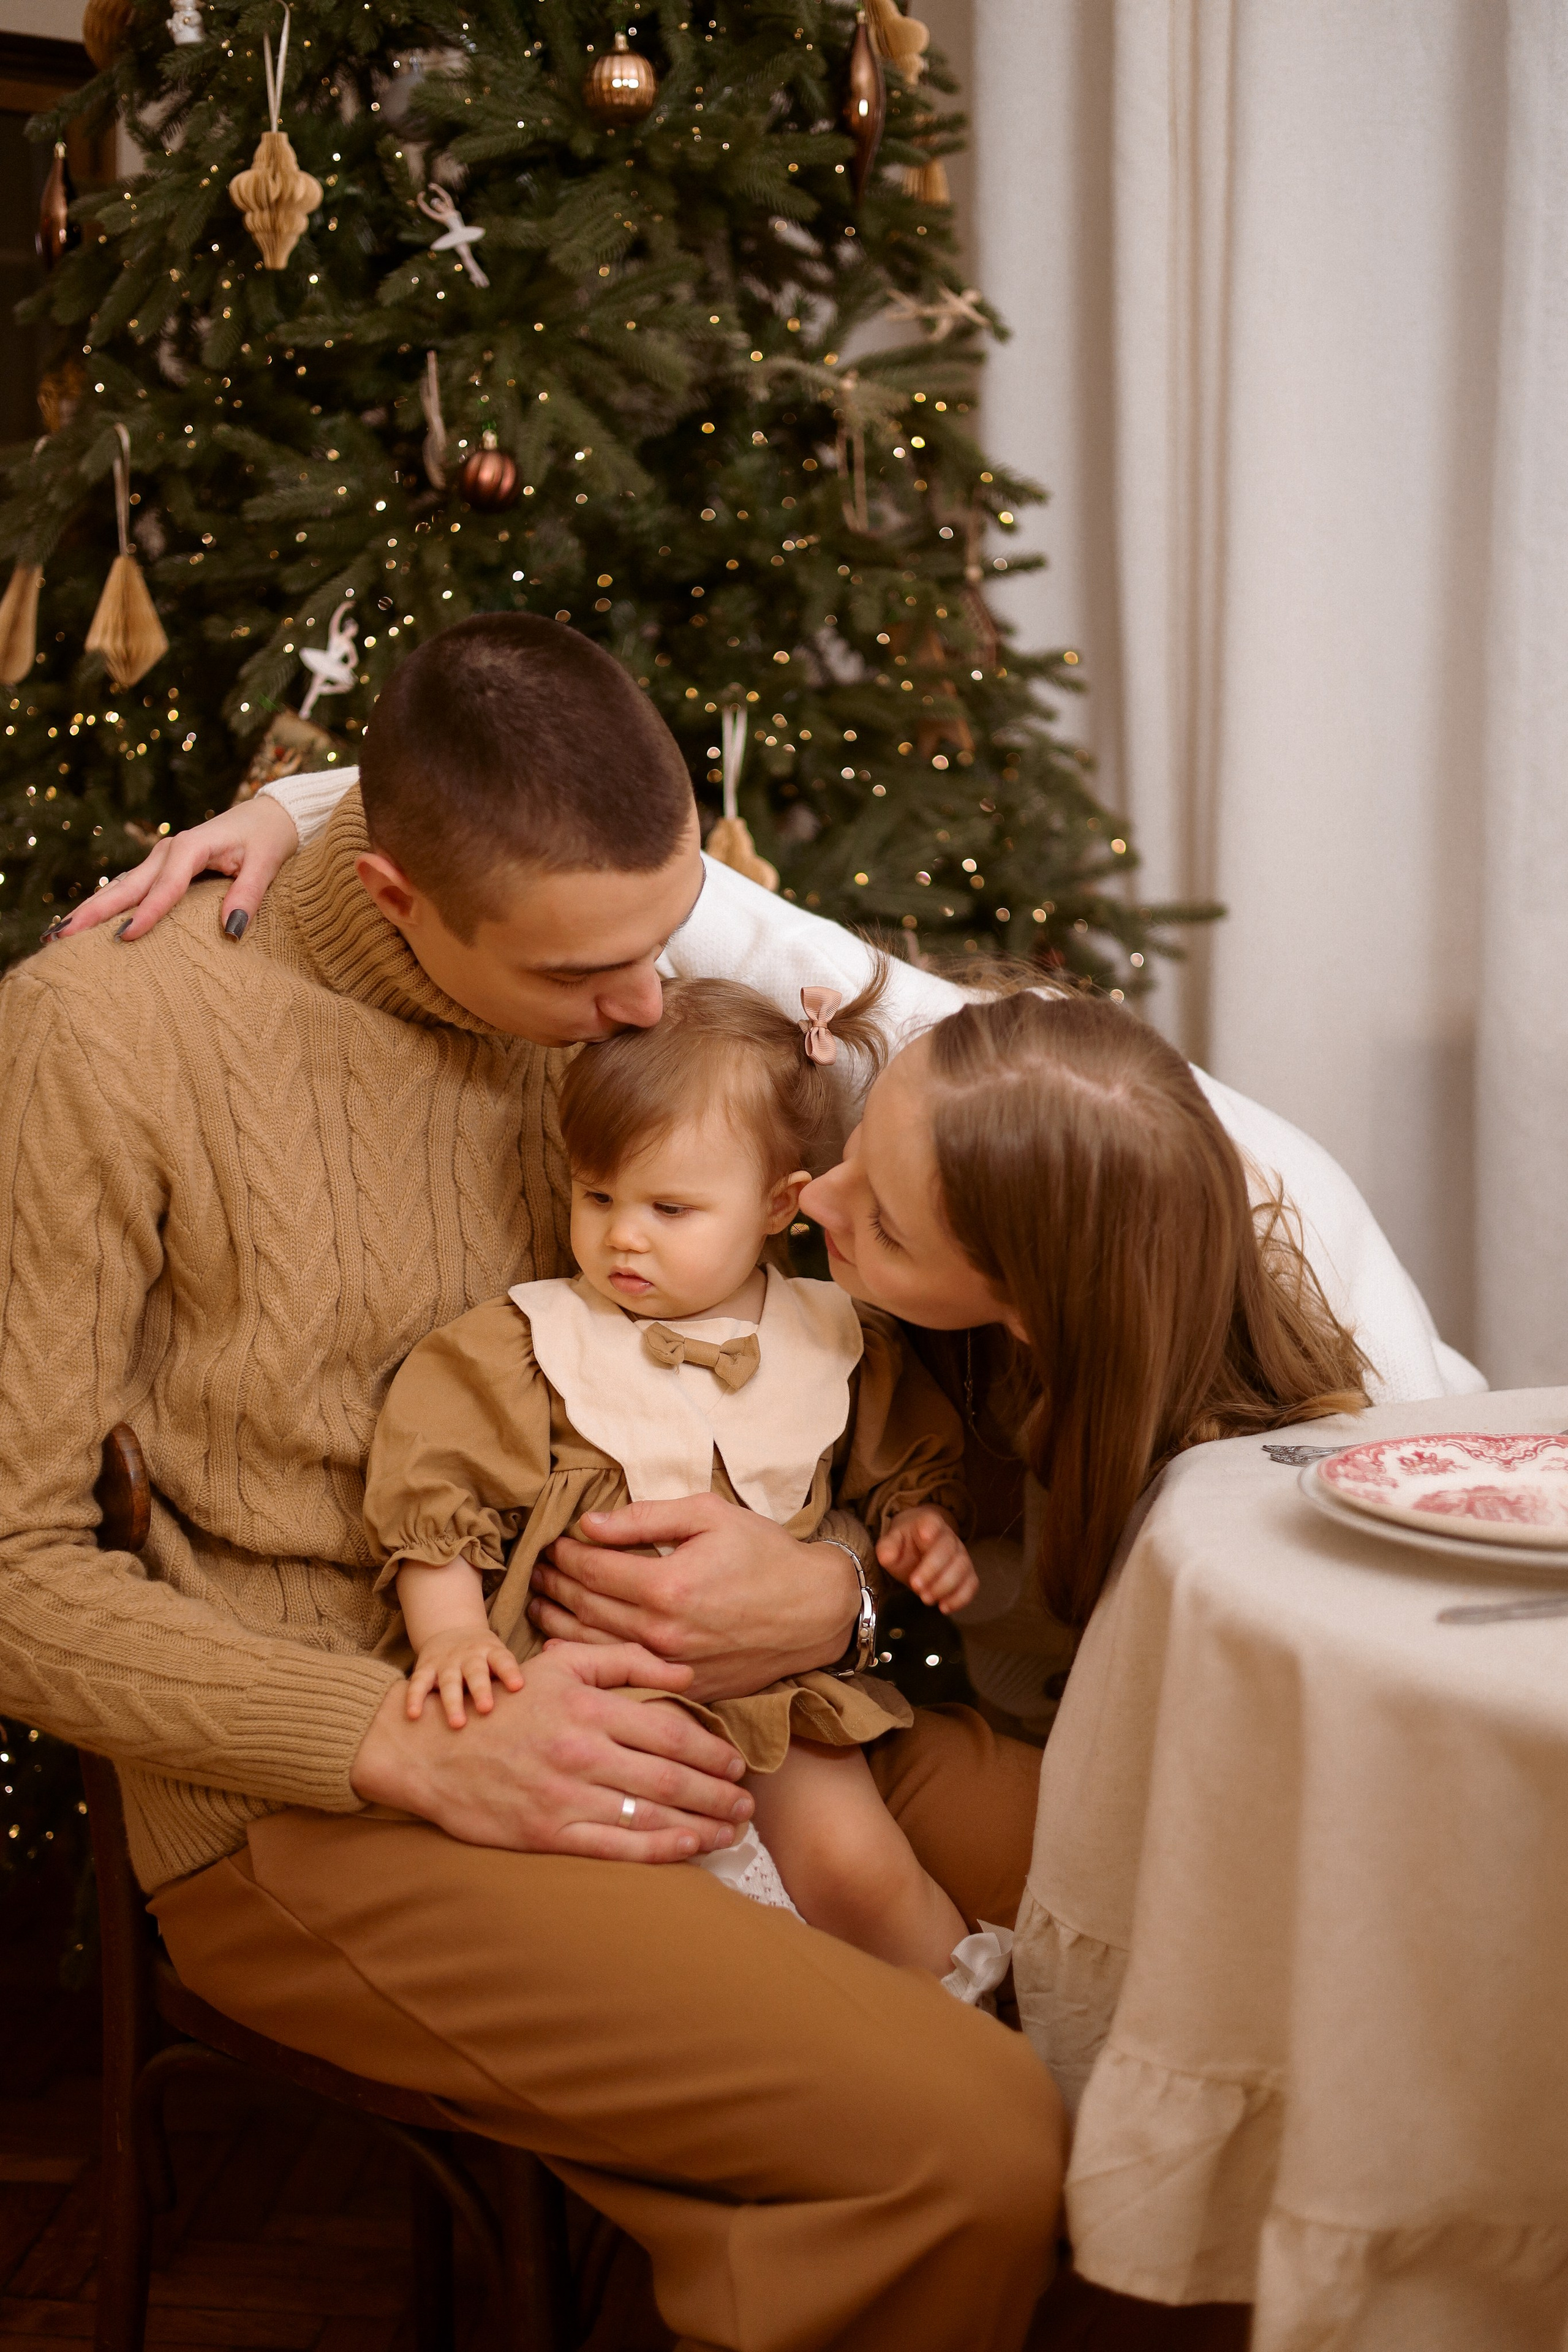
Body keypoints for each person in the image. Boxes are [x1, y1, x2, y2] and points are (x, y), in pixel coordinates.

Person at [0, 614, 1063, 2352]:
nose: (641, 1013)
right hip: (319, 1793)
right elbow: (11, 1563)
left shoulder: (626, 977)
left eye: (665, 940)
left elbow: (889, 1331)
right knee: (978, 2145)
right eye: (585, 983)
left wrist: (848, 1587)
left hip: (758, 1700)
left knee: (1216, 1893)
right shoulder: (101, 1038)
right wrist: (398, 1737)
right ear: (410, 901)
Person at [372, 972, 1009, 1995]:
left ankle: (970, 2031)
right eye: (598, 1196)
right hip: (581, 1698)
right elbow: (438, 1503)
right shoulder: (532, 1339)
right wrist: (450, 1633)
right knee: (657, 1931)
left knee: (853, 1868)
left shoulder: (833, 1338)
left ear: (777, 1206)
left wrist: (920, 1528)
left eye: (670, 1207)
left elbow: (900, 1471)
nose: (624, 1235)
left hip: (769, 1691)